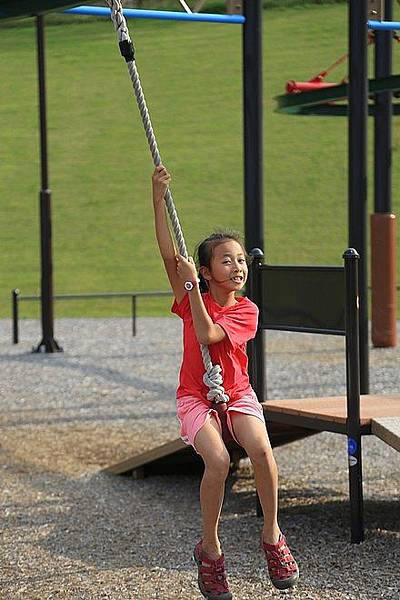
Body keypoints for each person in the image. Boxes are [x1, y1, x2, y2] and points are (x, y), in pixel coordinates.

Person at [152, 165, 299, 599]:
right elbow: (165, 252)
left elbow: (208, 335)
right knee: (216, 461)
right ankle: (211, 550)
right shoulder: (189, 294)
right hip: (196, 396)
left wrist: (195, 291)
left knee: (261, 450)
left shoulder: (246, 310)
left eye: (241, 260)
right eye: (227, 260)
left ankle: (272, 535)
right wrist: (156, 196)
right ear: (207, 269)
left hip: (235, 393)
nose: (238, 266)